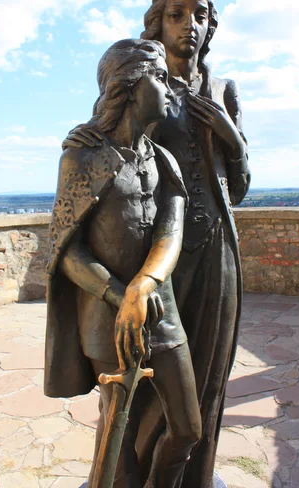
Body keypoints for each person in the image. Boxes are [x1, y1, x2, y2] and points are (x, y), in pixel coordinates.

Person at [64, 0, 251, 488]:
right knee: (140, 381)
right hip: (152, 257)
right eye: (177, 14)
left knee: (206, 374)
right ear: (158, 23)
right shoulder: (142, 79)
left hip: (215, 248)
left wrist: (230, 137)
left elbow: (238, 188)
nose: (189, 25)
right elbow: (108, 153)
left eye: (200, 15)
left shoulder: (221, 89)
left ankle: (194, 479)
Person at [45, 38, 201, 488]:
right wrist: (120, 294)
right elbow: (67, 251)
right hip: (106, 318)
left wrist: (143, 286)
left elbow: (171, 232)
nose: (169, 86)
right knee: (118, 438)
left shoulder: (163, 161)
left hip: (161, 314)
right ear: (130, 86)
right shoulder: (82, 158)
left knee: (188, 430)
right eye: (158, 77)